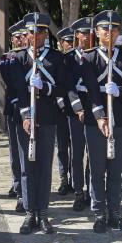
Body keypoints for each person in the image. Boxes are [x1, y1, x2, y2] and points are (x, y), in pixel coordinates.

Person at [9, 12, 68, 234]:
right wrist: (26, 116)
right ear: (27, 34)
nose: (36, 36)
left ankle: (42, 213)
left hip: (48, 118)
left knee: (44, 167)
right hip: (24, 120)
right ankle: (29, 213)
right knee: (27, 167)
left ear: (46, 34)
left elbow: (63, 87)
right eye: (32, 32)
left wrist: (46, 87)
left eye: (41, 32)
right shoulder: (18, 58)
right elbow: (16, 89)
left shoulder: (56, 58)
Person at [79, 10, 122, 232]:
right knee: (97, 169)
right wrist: (100, 117)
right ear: (97, 32)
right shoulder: (89, 57)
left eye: (114, 29)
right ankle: (98, 213)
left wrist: (120, 91)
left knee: (116, 170)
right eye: (105, 29)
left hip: (121, 119)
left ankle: (114, 212)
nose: (110, 32)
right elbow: (92, 90)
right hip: (96, 121)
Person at [65, 16, 93, 212]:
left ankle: (92, 190)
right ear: (77, 35)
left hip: (95, 109)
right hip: (77, 110)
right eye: (84, 33)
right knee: (77, 153)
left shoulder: (98, 55)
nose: (87, 37)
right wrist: (78, 108)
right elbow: (68, 85)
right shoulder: (69, 57)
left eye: (90, 33)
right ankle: (78, 192)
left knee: (94, 153)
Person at [1, 20, 27, 212]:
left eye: (24, 36)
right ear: (13, 39)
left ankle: (29, 189)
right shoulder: (7, 58)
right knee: (16, 152)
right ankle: (18, 188)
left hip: (35, 109)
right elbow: (10, 81)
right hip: (15, 108)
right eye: (18, 37)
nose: (21, 40)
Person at [55, 26, 76, 196]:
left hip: (76, 109)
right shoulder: (59, 59)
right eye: (68, 42)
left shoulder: (79, 59)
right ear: (62, 43)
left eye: (73, 41)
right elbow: (56, 84)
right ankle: (64, 179)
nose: (71, 45)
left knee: (76, 148)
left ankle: (75, 180)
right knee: (62, 147)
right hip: (61, 110)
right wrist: (61, 104)